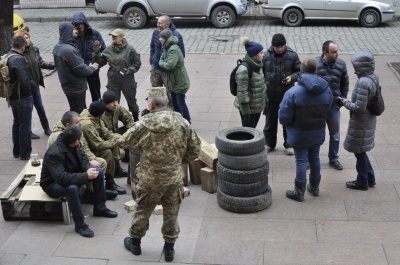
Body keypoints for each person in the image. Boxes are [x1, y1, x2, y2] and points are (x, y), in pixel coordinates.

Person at [122, 87, 201, 262]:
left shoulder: (143, 123)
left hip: (149, 179)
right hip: (173, 177)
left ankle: (135, 243)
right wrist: (179, 160)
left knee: (143, 210)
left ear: (151, 104)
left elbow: (125, 141)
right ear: (167, 102)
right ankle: (169, 249)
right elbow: (195, 150)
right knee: (172, 213)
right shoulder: (182, 122)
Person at [41, 125, 118, 238]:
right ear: (76, 141)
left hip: (71, 174)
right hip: (53, 184)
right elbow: (61, 178)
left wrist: (88, 168)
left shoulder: (72, 143)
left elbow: (82, 157)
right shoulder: (54, 153)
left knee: (99, 172)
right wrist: (86, 176)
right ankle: (80, 225)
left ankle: (100, 207)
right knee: (72, 189)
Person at [279, 58, 333, 202]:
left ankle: (299, 192)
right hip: (318, 131)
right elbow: (329, 107)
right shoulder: (326, 90)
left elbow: (284, 116)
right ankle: (314, 188)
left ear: (301, 71)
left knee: (301, 161)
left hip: (299, 133)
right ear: (316, 70)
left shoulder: (293, 92)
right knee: (315, 158)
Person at [47, 111, 118, 200]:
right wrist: (87, 168)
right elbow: (62, 162)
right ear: (68, 125)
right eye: (77, 122)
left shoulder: (74, 131)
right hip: (63, 169)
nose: (80, 124)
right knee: (99, 164)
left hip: (72, 162)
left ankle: (98, 191)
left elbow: (82, 148)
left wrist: (89, 162)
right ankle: (89, 193)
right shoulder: (58, 136)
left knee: (99, 163)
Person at [339, 51, 377, 191]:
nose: (354, 71)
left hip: (361, 121)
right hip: (368, 120)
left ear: (363, 67)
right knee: (361, 151)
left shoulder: (363, 82)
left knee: (359, 152)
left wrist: (344, 102)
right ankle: (370, 177)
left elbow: (359, 107)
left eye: (356, 67)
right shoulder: (372, 77)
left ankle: (362, 181)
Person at [262, 33, 301, 155]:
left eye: (281, 46)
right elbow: (261, 73)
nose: (279, 49)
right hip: (270, 95)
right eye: (277, 47)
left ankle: (289, 144)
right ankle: (269, 143)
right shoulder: (266, 56)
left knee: (288, 121)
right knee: (270, 121)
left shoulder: (292, 55)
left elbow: (300, 72)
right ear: (273, 46)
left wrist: (291, 78)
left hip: (286, 95)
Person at [92, 28, 142, 121]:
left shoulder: (130, 49)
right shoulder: (108, 49)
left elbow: (137, 63)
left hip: (127, 79)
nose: (113, 37)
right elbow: (101, 63)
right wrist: (97, 52)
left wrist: (130, 70)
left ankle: (135, 120)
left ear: (121, 37)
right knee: (112, 102)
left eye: (116, 36)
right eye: (112, 36)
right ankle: (113, 121)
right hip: (113, 79)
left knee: (131, 100)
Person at [14, 30, 55, 139]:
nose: (26, 40)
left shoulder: (34, 49)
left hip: (35, 86)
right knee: (29, 110)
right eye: (23, 38)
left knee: (40, 107)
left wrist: (53, 65)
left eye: (27, 37)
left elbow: (40, 62)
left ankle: (46, 128)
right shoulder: (19, 54)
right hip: (26, 87)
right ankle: (29, 131)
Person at [80, 101, 127, 194]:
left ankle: (111, 178)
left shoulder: (96, 117)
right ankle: (106, 183)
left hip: (93, 146)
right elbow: (97, 144)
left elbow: (105, 132)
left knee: (111, 148)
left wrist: (118, 138)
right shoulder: (87, 125)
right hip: (87, 151)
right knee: (108, 151)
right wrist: (115, 142)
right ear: (100, 113)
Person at [316, 40, 349, 170]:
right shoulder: (315, 64)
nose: (337, 54)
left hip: (334, 106)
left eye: (337, 51)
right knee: (316, 133)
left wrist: (342, 100)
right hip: (318, 107)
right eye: (334, 52)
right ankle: (312, 159)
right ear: (325, 53)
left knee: (335, 134)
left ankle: (333, 158)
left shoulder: (341, 64)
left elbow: (345, 83)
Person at [53, 22, 99, 114]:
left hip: (68, 86)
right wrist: (92, 68)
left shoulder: (58, 47)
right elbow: (80, 69)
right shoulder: (69, 50)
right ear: (68, 32)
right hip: (76, 87)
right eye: (74, 29)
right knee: (79, 113)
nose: (76, 31)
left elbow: (75, 65)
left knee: (76, 110)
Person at [7, 36, 35, 160]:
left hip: (12, 96)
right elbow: (24, 80)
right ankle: (24, 153)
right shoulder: (18, 59)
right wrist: (30, 92)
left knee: (17, 122)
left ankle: (16, 151)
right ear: (23, 47)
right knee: (25, 125)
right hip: (22, 97)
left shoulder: (7, 56)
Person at [71, 12, 106, 102]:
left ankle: (98, 112)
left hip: (93, 71)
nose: (80, 26)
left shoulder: (94, 34)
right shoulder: (72, 37)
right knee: (80, 96)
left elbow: (104, 51)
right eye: (77, 24)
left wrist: (99, 63)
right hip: (80, 71)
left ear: (85, 23)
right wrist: (72, 36)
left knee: (96, 95)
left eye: (81, 23)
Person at [158, 28, 191, 123]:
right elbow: (161, 59)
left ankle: (187, 122)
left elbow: (169, 65)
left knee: (180, 103)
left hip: (179, 81)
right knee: (175, 103)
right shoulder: (166, 47)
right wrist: (162, 62)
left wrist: (162, 63)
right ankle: (178, 121)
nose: (159, 39)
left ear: (166, 38)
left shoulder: (173, 49)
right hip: (173, 81)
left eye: (161, 37)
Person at [234, 36, 266, 128]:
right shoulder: (244, 70)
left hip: (256, 107)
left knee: (252, 131)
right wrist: (246, 114)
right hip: (248, 110)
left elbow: (262, 86)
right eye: (261, 53)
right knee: (248, 135)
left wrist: (265, 103)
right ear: (254, 55)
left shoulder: (258, 65)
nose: (263, 55)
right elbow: (242, 94)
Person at [150, 15, 184, 88]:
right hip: (155, 68)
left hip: (168, 72)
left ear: (167, 24)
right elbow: (152, 47)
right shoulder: (156, 32)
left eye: (160, 23)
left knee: (170, 93)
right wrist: (152, 61)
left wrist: (170, 66)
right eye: (157, 23)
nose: (158, 25)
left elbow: (181, 54)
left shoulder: (176, 36)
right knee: (155, 93)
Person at [101, 90, 134, 165]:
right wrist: (120, 138)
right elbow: (103, 132)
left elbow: (129, 119)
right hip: (105, 136)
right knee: (116, 150)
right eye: (112, 102)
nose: (115, 104)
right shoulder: (100, 112)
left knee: (133, 130)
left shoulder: (117, 107)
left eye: (116, 101)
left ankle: (127, 152)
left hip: (115, 133)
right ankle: (116, 165)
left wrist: (129, 133)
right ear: (105, 104)